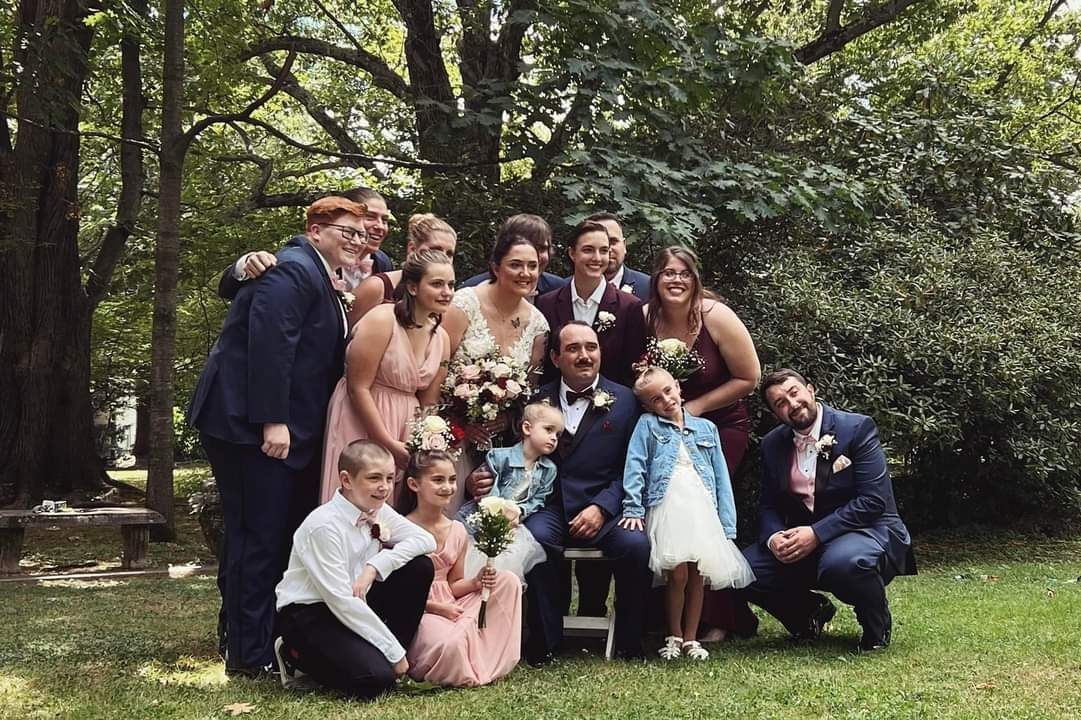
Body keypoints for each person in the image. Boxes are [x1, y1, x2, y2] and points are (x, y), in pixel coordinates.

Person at [188, 197, 367, 676]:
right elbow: (270, 345)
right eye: (345, 231)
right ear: (314, 230)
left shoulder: (321, 272)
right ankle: (247, 657)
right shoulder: (293, 270)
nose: (355, 239)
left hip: (278, 426)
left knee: (266, 536)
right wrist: (273, 420)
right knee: (256, 539)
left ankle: (258, 641)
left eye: (360, 232)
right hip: (249, 427)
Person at [742, 369, 916, 652]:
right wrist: (774, 538)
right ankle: (808, 613)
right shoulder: (773, 444)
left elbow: (873, 501)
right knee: (743, 570)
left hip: (863, 531)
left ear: (810, 390)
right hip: (806, 536)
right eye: (780, 403)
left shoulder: (856, 428)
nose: (792, 404)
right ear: (776, 413)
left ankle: (876, 625)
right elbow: (768, 504)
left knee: (844, 563)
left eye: (794, 392)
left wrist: (816, 533)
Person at [515, 321, 652, 664]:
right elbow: (518, 454)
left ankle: (629, 641)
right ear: (556, 357)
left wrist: (603, 508)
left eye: (591, 347)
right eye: (573, 349)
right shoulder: (535, 400)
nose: (584, 355)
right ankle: (545, 642)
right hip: (550, 505)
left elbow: (634, 467)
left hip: (607, 505)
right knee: (534, 539)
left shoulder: (626, 401)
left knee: (636, 545)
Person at [644, 245, 761, 640]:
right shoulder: (647, 320)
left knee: (705, 515)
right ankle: (673, 618)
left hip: (719, 430)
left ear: (695, 279)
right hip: (666, 432)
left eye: (684, 273)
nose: (675, 280)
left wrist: (695, 407)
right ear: (655, 280)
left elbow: (749, 377)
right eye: (667, 273)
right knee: (675, 515)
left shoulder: (716, 317)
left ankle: (720, 618)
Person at [274, 441, 436, 698]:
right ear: (346, 480)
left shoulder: (377, 509)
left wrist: (375, 566)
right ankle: (294, 655)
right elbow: (341, 600)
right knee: (374, 680)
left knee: (419, 567)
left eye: (389, 478)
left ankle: (390, 661)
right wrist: (393, 653)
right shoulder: (323, 525)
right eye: (374, 478)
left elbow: (426, 541)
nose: (384, 487)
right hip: (313, 612)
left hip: (357, 597)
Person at [619, 367, 755, 661]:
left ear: (678, 388)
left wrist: (726, 524)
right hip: (668, 506)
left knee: (698, 573)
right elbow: (636, 467)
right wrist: (633, 506)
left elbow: (720, 476)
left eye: (668, 391)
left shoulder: (706, 430)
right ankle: (674, 634)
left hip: (700, 507)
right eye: (656, 399)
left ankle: (691, 639)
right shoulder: (647, 426)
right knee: (677, 573)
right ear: (647, 406)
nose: (665, 400)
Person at [319, 249, 453, 504]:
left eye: (450, 284)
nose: (447, 292)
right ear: (413, 287)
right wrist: (385, 441)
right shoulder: (382, 320)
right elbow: (357, 387)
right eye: (437, 284)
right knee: (356, 500)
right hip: (363, 415)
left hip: (406, 424)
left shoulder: (442, 338)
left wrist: (424, 442)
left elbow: (429, 402)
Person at [442, 231, 550, 511]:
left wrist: (505, 419)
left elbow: (528, 393)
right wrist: (461, 424)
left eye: (532, 266)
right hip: (450, 434)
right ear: (495, 267)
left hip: (499, 444)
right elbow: (436, 371)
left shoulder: (538, 325)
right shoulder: (463, 305)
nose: (525, 273)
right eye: (515, 264)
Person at [396, 450, 523, 687]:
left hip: (452, 603)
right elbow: (393, 594)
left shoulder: (457, 530)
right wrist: (437, 608)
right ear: (414, 484)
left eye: (452, 479)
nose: (448, 487)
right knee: (452, 646)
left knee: (508, 581)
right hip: (419, 609)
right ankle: (460, 650)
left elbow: (454, 585)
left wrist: (476, 582)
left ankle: (484, 650)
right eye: (438, 480)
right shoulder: (399, 528)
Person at [217, 186, 395, 301]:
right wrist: (249, 263)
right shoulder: (305, 252)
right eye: (370, 217)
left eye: (385, 220)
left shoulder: (382, 262)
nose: (380, 226)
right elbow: (228, 290)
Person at [458, 401, 562, 582]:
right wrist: (497, 510)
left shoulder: (548, 469)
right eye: (548, 430)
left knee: (505, 571)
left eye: (558, 434)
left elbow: (538, 498)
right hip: (482, 521)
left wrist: (520, 511)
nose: (554, 438)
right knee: (473, 565)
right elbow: (489, 488)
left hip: (513, 525)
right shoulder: (499, 456)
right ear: (527, 428)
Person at [535, 220, 645, 386]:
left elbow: (632, 370)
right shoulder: (547, 304)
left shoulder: (629, 306)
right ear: (572, 253)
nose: (597, 258)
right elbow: (546, 367)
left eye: (604, 251)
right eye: (588, 250)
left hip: (613, 405)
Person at [351, 213, 457, 319]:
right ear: (412, 249)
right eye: (435, 250)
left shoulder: (444, 297)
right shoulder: (377, 287)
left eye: (449, 254)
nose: (443, 257)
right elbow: (347, 331)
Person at [458, 213, 566, 296]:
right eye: (526, 247)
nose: (533, 256)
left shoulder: (559, 290)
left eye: (541, 249)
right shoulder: (472, 290)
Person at [584, 211, 651, 300]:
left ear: (624, 245)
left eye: (613, 242)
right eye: (597, 243)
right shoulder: (566, 289)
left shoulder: (650, 288)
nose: (607, 249)